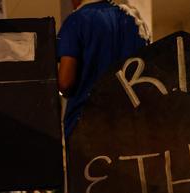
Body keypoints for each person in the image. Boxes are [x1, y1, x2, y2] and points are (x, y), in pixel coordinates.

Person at [57, 0, 150, 136]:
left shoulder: (76, 21)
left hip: (86, 127)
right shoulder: (134, 21)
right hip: (130, 126)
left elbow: (65, 83)